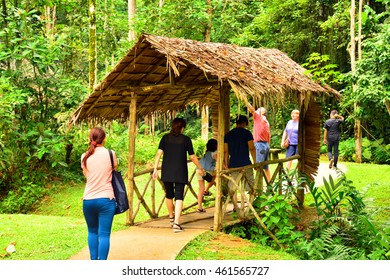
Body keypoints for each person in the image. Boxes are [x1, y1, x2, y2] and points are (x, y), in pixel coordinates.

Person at [152, 117, 205, 233]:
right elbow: (192, 156)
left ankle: (171, 217)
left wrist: (155, 168)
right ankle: (176, 223)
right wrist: (200, 168)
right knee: (179, 195)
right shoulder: (185, 139)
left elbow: (158, 153)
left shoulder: (165, 138)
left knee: (169, 194)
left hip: (167, 171)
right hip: (180, 171)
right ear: (182, 128)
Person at [81, 127, 117, 260]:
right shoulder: (110, 154)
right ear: (104, 139)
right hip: (106, 200)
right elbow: (113, 168)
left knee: (92, 231)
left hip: (88, 200)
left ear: (90, 139)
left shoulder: (84, 157)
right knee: (104, 235)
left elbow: (87, 176)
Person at [224, 115, 256, 209]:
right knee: (250, 185)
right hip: (245, 163)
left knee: (233, 186)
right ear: (244, 123)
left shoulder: (228, 135)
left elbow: (226, 152)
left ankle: (235, 207)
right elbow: (252, 148)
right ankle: (250, 206)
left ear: (236, 123)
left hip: (233, 164)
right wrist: (255, 163)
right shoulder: (247, 133)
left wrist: (226, 164)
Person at [245, 102, 271, 182]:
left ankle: (257, 187)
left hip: (260, 144)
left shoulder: (259, 117)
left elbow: (251, 109)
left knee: (258, 167)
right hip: (266, 145)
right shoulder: (266, 121)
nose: (256, 111)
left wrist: (245, 100)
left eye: (258, 110)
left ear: (262, 112)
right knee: (266, 167)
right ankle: (270, 184)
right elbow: (269, 135)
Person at [196, 139, 218, 212]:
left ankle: (199, 207)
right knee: (216, 175)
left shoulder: (206, 152)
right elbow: (219, 161)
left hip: (199, 170)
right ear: (215, 145)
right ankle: (206, 189)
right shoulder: (215, 152)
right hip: (208, 170)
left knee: (200, 189)